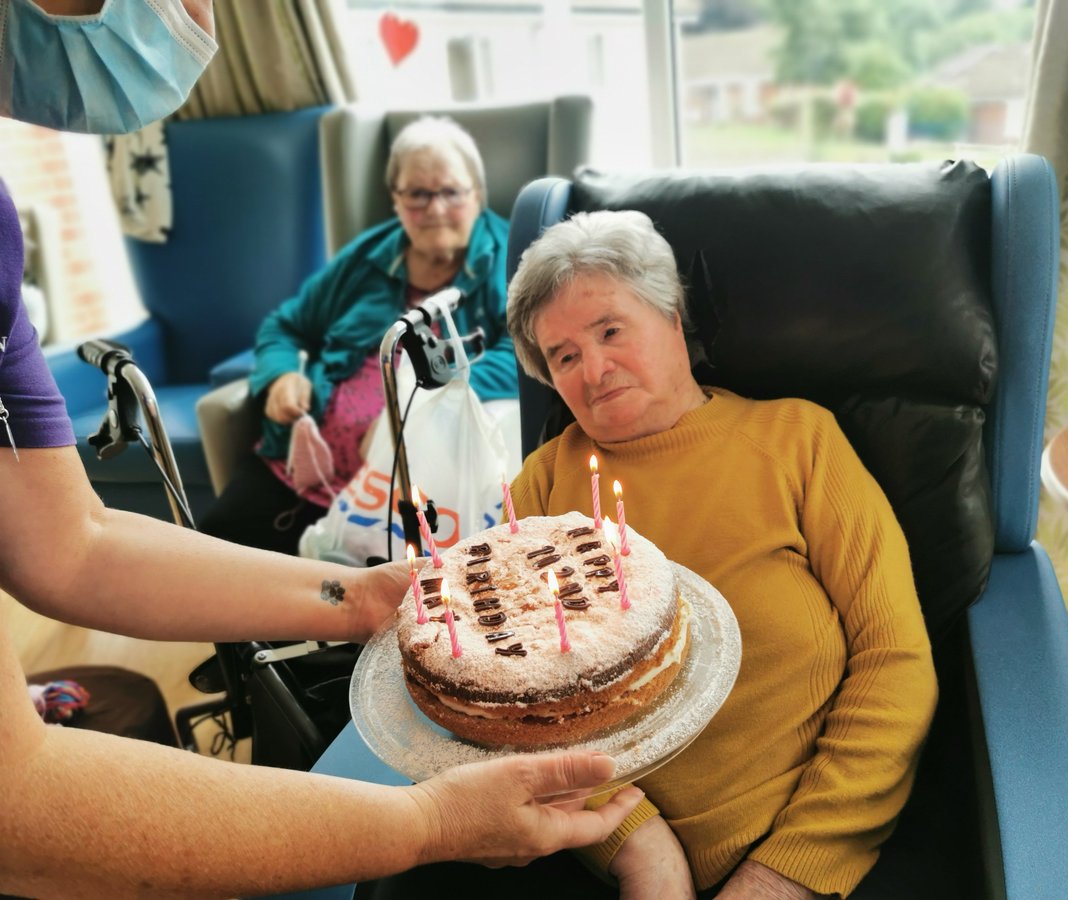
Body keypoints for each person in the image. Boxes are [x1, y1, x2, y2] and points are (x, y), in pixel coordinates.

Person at [0, 2, 641, 896]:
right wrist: (431, 823)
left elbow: (73, 544)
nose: (192, 18)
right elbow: (16, 797)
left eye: (449, 191)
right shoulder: (366, 259)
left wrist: (360, 600)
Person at [503, 210, 939, 899]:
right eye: (563, 356)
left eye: (610, 330)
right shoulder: (541, 486)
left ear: (673, 318)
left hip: (808, 857)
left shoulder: (799, 440)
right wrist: (638, 848)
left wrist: (787, 871)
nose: (593, 368)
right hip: (595, 854)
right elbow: (515, 702)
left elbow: (896, 662)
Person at [199, 114, 515, 555]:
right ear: (395, 199)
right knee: (216, 561)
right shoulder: (368, 257)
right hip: (299, 471)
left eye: (451, 192)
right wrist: (280, 375)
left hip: (401, 496)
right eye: (418, 195)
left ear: (477, 194)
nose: (436, 209)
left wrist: (407, 412)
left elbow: (523, 353)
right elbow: (286, 326)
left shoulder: (510, 259)